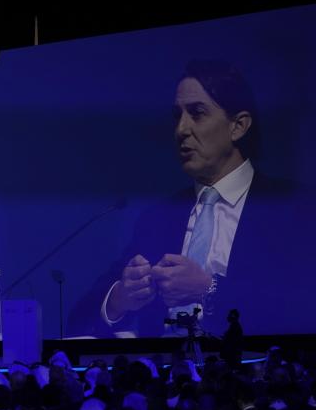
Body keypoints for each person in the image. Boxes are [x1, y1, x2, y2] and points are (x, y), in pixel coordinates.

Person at [72, 59, 315, 336]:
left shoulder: (294, 208)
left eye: (197, 113)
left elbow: (302, 305)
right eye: (178, 115)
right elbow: (81, 315)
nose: (181, 129)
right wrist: (121, 298)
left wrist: (208, 290)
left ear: (238, 126)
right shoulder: (158, 218)